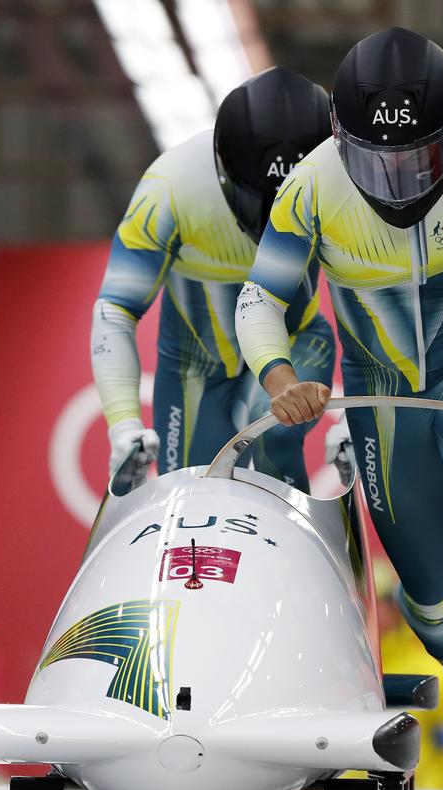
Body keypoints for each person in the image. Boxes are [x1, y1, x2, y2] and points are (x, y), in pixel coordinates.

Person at [235, 28, 443, 775]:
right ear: (336, 140)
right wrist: (281, 378)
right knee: (429, 601)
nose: (396, 182)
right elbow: (260, 297)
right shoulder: (311, 188)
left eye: (416, 159)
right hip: (384, 395)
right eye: (372, 162)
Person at [91, 68, 335, 492]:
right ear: (221, 167)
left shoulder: (342, 179)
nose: (271, 222)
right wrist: (123, 424)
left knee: (275, 433)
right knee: (192, 498)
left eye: (290, 201)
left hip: (291, 343)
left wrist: (361, 423)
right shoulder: (172, 188)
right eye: (256, 199)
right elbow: (115, 308)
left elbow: (373, 286)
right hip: (196, 365)